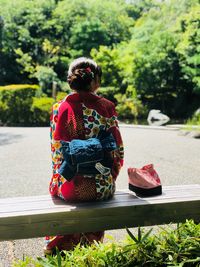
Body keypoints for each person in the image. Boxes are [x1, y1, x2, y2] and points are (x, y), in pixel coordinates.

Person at [44, 57, 124, 255]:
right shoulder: (107, 107)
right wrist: (108, 176)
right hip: (101, 187)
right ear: (95, 81)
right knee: (95, 191)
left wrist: (61, 177)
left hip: (70, 185)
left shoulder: (59, 108)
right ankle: (90, 250)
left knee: (59, 186)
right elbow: (118, 151)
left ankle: (60, 249)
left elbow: (57, 153)